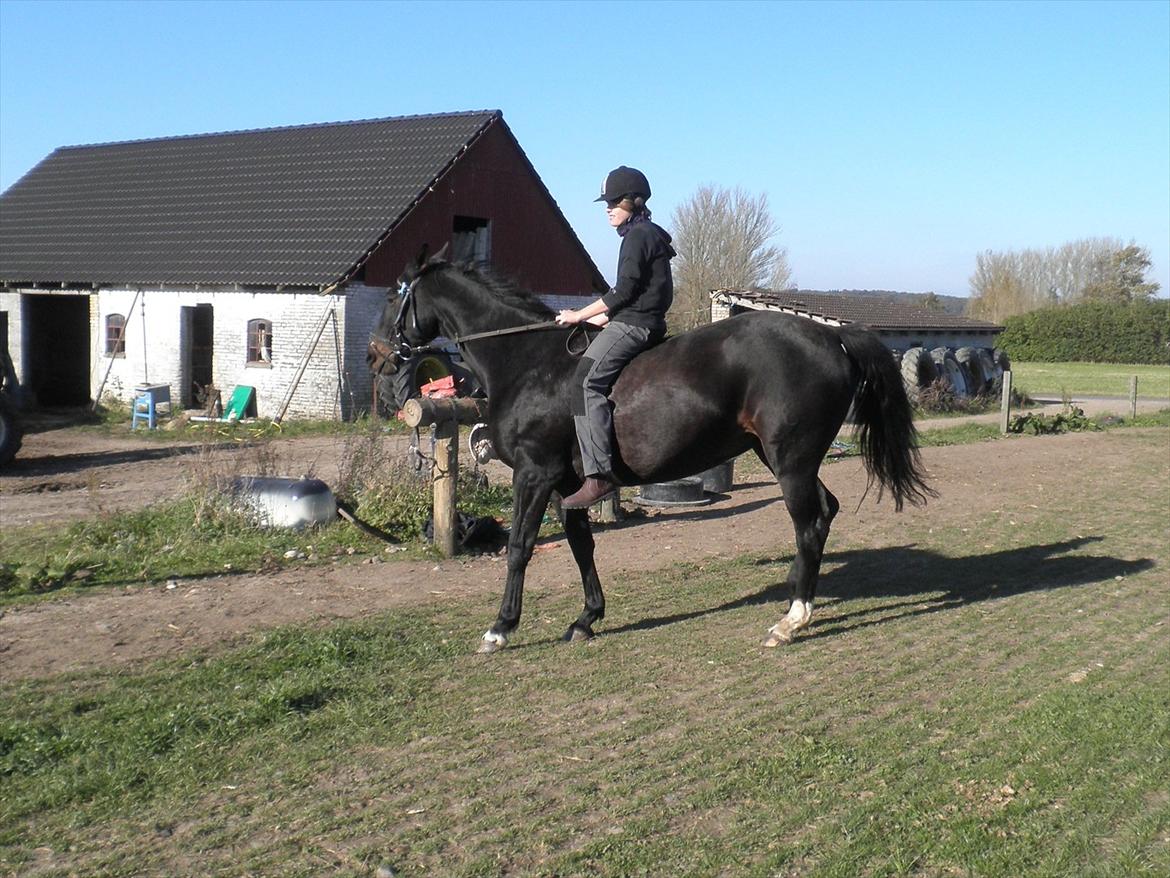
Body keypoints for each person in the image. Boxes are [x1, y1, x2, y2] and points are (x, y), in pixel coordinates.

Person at [556, 166, 676, 509]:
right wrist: (603, 318)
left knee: (584, 384)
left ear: (634, 202)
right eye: (606, 203)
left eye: (614, 201)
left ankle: (597, 477)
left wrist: (578, 315)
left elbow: (622, 290)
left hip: (635, 326)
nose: (608, 208)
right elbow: (641, 291)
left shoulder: (638, 236)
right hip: (638, 319)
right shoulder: (646, 234)